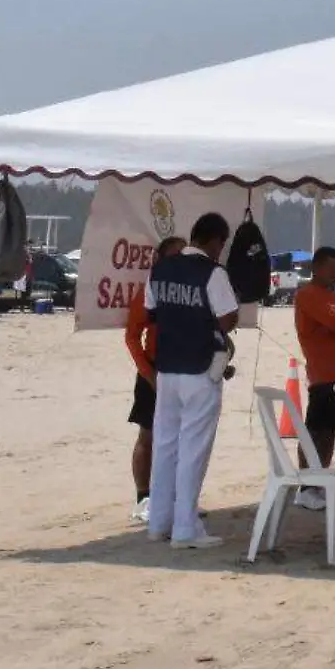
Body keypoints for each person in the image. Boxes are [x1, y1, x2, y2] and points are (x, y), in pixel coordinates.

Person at [145, 214, 241, 549]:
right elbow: (228, 319)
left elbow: (152, 311)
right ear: (216, 241)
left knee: (165, 446)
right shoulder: (212, 272)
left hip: (167, 368)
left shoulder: (161, 268)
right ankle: (185, 527)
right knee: (192, 449)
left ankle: (158, 522)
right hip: (200, 368)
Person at [293, 247, 335, 510]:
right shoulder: (309, 295)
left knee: (331, 431)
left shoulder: (331, 296)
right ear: (317, 268)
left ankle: (318, 481)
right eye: (331, 268)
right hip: (323, 375)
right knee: (316, 431)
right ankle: (306, 486)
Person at [123, 235, 185, 524]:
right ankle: (143, 497)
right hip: (154, 369)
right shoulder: (149, 291)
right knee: (147, 435)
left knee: (183, 439)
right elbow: (132, 336)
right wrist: (148, 374)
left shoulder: (192, 291)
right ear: (159, 260)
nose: (178, 261)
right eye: (173, 256)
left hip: (186, 370)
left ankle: (175, 497)